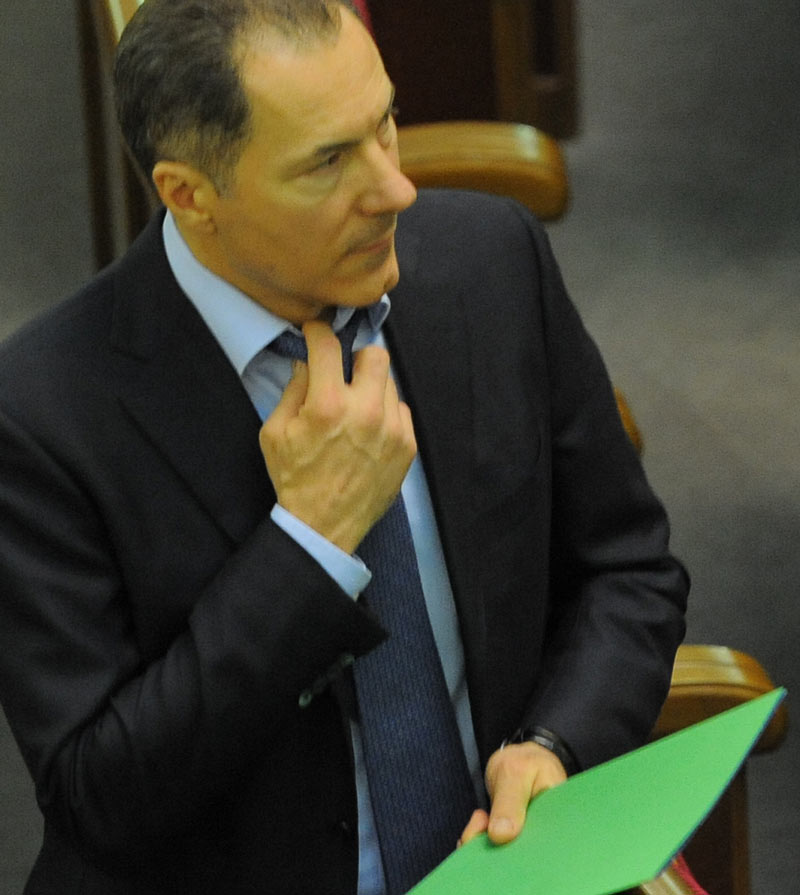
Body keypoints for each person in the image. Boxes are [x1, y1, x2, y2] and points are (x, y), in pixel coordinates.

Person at [0, 1, 689, 893]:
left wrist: (556, 743)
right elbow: (102, 795)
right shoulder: (42, 415)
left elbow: (627, 570)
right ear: (189, 195)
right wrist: (310, 544)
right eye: (328, 162)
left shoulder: (490, 262)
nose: (395, 188)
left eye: (386, 123)